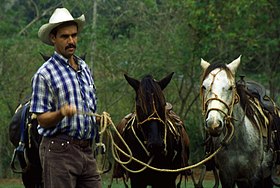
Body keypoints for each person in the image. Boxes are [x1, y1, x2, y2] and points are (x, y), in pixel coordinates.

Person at [30, 7, 102, 188]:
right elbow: (42, 120)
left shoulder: (84, 67)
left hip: (86, 150)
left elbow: (89, 105)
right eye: (65, 37)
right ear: (53, 38)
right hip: (59, 151)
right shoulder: (44, 74)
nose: (71, 41)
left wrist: (97, 118)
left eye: (74, 35)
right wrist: (61, 113)